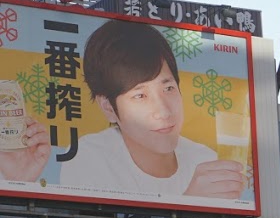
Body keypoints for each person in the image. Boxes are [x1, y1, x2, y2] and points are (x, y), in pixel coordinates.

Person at [59, 19, 245, 199]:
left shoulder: (205, 161)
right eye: (140, 96)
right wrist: (192, 201)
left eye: (168, 88)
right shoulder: (88, 158)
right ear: (108, 107)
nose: (163, 111)